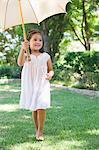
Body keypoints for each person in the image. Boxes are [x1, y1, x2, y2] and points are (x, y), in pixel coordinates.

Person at [17, 29, 54, 141]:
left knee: (41, 106)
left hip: (42, 84)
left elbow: (51, 70)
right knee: (35, 107)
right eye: (35, 40)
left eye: (40, 40)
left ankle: (40, 131)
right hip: (31, 84)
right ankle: (37, 129)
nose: (38, 42)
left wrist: (50, 75)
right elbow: (20, 63)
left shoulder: (46, 56)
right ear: (29, 41)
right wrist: (23, 48)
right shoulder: (27, 55)